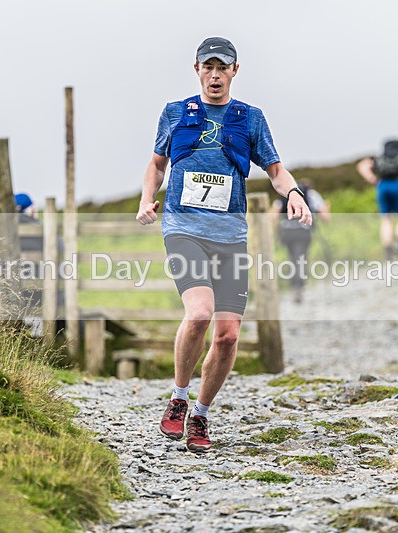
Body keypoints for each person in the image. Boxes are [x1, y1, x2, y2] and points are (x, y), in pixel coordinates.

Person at [136, 36, 312, 453]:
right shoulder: (175, 112)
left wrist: (294, 194)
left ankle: (200, 414)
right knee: (199, 313)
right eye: (208, 67)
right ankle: (178, 397)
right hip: (183, 228)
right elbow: (157, 164)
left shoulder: (250, 118)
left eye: (222, 68)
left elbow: (275, 170)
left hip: (230, 236)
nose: (215, 75)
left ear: (235, 71)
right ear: (196, 69)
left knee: (228, 335)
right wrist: (146, 199)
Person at [356, 139, 398, 261]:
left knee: (386, 219)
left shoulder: (379, 159)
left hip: (382, 186)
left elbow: (362, 166)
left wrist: (373, 179)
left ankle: (388, 251)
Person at [271, 179, 330, 303]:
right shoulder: (312, 194)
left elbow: (274, 215)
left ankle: (294, 286)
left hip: (287, 232)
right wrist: (327, 208)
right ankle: (298, 288)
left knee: (293, 258)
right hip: (303, 232)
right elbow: (325, 217)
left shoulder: (285, 194)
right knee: (301, 259)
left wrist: (276, 231)